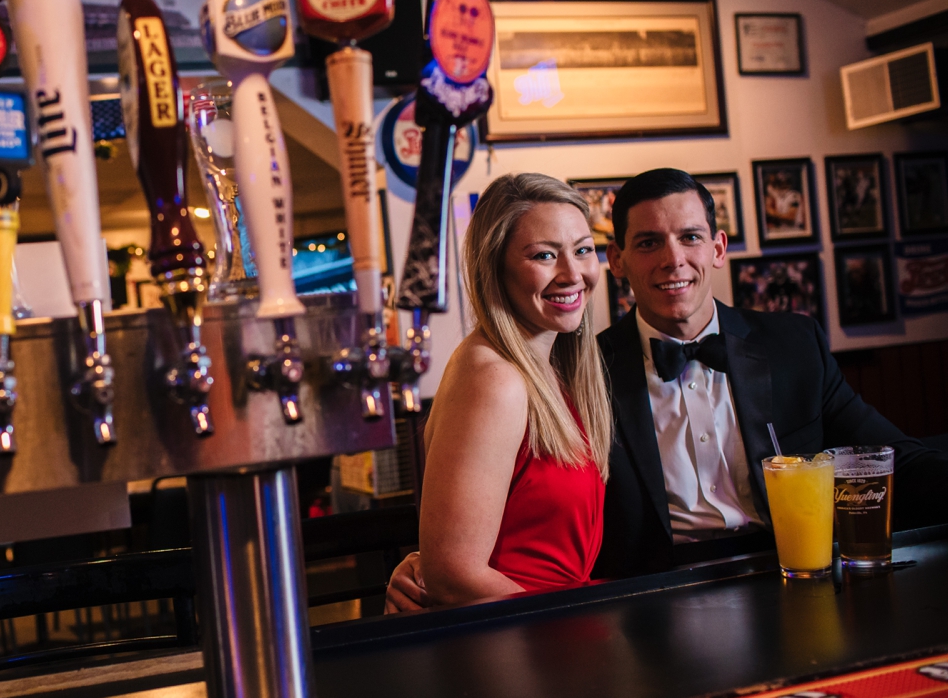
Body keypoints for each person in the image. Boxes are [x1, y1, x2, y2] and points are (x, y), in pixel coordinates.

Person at [596, 168, 947, 577]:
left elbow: (889, 456)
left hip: (791, 568)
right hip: (654, 592)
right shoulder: (587, 369)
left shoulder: (793, 346)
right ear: (617, 259)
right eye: (648, 242)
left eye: (690, 237)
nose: (673, 260)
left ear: (718, 248)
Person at [384, 173, 611, 612]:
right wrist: (573, 630)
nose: (573, 274)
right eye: (544, 255)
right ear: (496, 268)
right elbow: (453, 576)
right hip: (519, 645)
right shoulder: (496, 379)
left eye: (583, 250)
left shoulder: (548, 367)